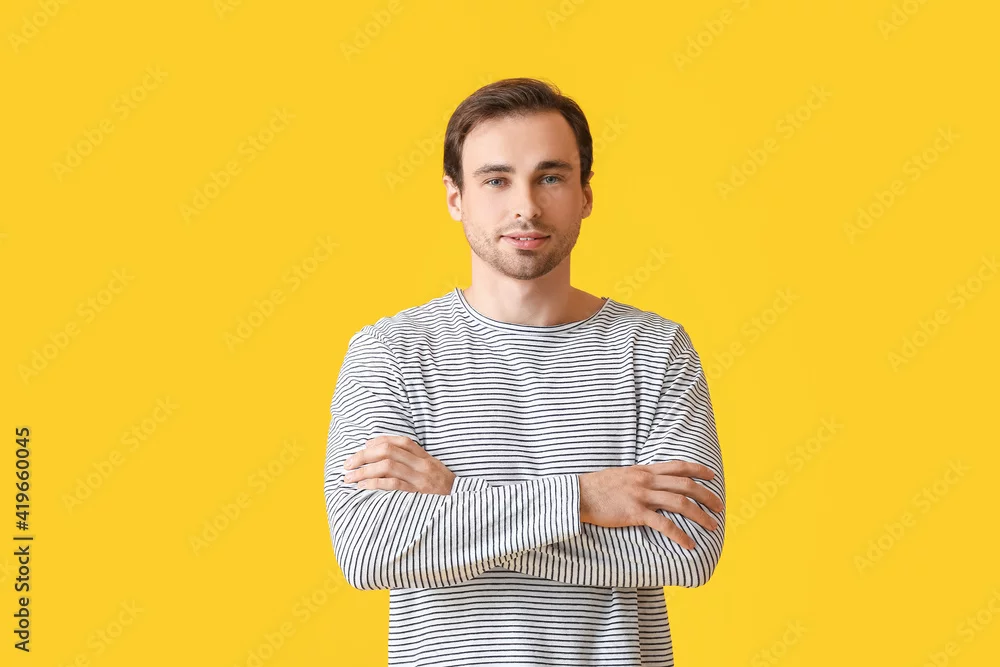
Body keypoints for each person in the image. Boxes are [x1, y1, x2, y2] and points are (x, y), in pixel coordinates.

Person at [323, 77, 726, 666]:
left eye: (551, 177)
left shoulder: (653, 348)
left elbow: (687, 551)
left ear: (585, 194)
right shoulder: (390, 351)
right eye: (496, 180)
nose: (526, 207)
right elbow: (371, 551)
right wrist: (582, 499)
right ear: (455, 197)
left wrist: (456, 498)